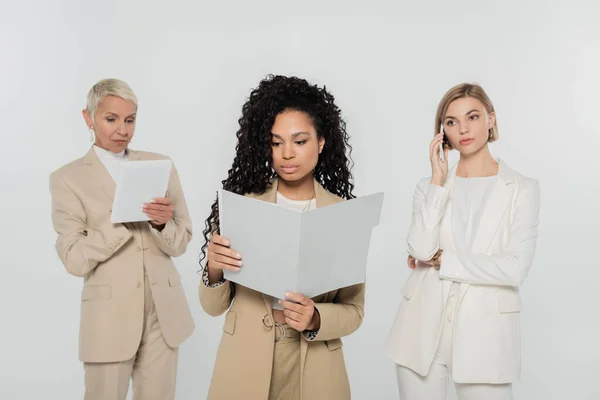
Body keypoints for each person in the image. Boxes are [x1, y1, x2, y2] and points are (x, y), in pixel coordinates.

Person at [198, 74, 364, 400]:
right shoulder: (243, 205)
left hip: (314, 362)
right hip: (246, 357)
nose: (287, 153)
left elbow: (354, 310)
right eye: (276, 143)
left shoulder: (342, 214)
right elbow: (211, 307)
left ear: (321, 142)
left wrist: (316, 317)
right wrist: (214, 268)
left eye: (299, 141)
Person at [385, 83, 540, 399]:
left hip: (487, 333)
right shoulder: (429, 186)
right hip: (420, 331)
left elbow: (514, 268)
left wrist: (443, 260)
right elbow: (420, 248)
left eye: (472, 117)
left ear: (491, 119)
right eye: (451, 122)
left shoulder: (522, 188)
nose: (463, 129)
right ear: (442, 132)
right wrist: (437, 181)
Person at [49, 78, 195, 400]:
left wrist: (160, 224)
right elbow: (73, 258)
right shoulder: (67, 178)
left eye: (130, 120)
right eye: (111, 119)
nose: (123, 130)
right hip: (108, 318)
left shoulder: (160, 166)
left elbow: (182, 240)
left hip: (164, 315)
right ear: (89, 118)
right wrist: (122, 222)